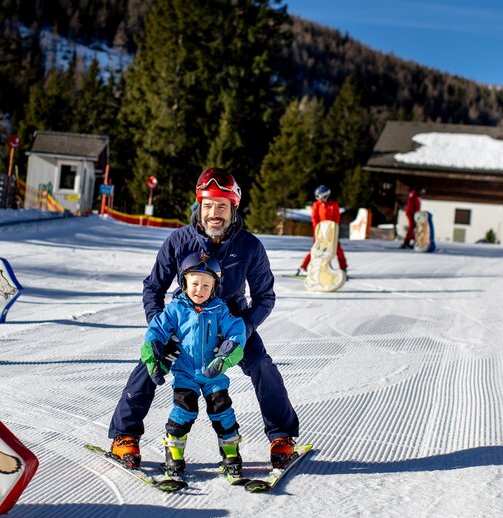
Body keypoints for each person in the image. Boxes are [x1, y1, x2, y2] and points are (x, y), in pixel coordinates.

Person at [109, 167, 300, 470]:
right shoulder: (178, 241)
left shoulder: (250, 246)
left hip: (231, 325)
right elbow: (153, 288)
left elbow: (265, 297)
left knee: (262, 364)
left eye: (222, 206)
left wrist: (243, 331)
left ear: (233, 208)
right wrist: (162, 330)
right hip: (184, 324)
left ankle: (282, 436)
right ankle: (124, 436)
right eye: (208, 205)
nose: (214, 213)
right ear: (199, 205)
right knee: (150, 364)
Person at [141, 252, 248, 477]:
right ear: (184, 282)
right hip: (185, 373)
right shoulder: (175, 309)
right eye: (195, 283)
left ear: (215, 287)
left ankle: (231, 454)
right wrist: (153, 359)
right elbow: (156, 330)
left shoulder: (219, 310)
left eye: (206, 285)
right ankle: (174, 454)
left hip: (213, 373)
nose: (200, 290)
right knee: (184, 410)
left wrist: (224, 358)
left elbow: (236, 330)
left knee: (222, 409)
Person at [296, 184, 348, 276]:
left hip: (331, 232)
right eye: (317, 197)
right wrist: (317, 229)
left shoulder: (334, 205)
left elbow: (336, 218)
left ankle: (343, 269)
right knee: (315, 250)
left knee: (337, 250)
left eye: (319, 196)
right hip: (320, 232)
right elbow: (314, 218)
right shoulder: (316, 205)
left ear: (325, 196)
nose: (318, 199)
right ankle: (302, 268)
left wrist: (332, 228)